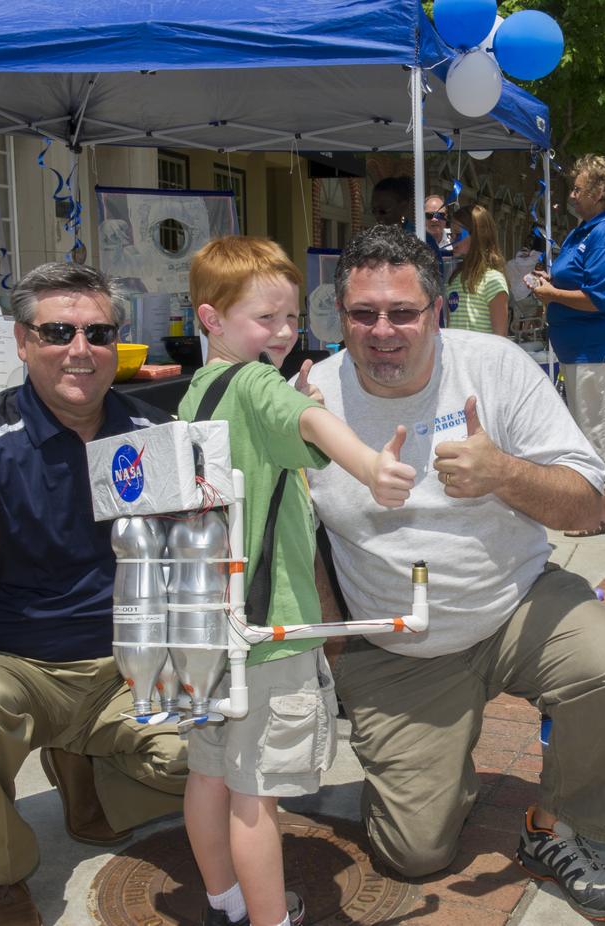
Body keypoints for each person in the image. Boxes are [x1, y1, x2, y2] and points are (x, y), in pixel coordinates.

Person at [304, 224, 605, 922]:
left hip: (515, 604)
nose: (383, 331)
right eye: (363, 314)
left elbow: (591, 502)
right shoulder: (309, 395)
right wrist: (335, 642)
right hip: (397, 645)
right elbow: (295, 528)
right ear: (339, 316)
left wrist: (504, 474)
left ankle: (560, 826)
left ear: (437, 311)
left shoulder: (494, 366)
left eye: (403, 312)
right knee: (413, 855)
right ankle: (436, 763)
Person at [0, 263, 189, 926]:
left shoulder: (148, 434)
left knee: (209, 751)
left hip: (120, 665)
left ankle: (86, 770)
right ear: (22, 343)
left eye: (98, 332)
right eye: (57, 332)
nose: (80, 349)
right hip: (7, 660)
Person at [178, 236, 415, 926]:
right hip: (269, 630)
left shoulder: (198, 391)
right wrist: (371, 466)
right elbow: (308, 421)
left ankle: (223, 899)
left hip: (209, 625)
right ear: (211, 318)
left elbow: (284, 428)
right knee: (258, 796)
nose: (282, 333)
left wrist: (294, 403)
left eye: (289, 319)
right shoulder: (254, 384)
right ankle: (270, 917)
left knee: (209, 774)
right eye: (264, 319)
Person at [530, 154, 605, 536]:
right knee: (594, 427)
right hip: (583, 348)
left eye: (578, 188)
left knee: (595, 430)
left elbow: (600, 296)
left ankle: (596, 512)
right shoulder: (587, 231)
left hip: (599, 347)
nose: (572, 194)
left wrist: (552, 294)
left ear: (600, 192)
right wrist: (552, 283)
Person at [444, 203, 509, 336]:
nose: (452, 240)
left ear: (477, 235)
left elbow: (500, 338)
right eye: (451, 234)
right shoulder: (454, 279)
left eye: (457, 234)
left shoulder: (493, 280)